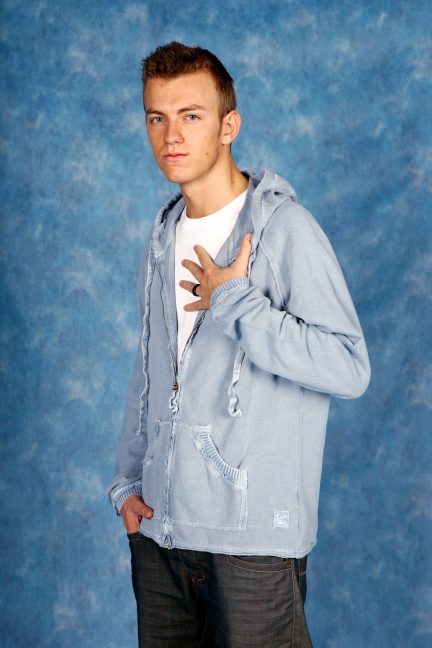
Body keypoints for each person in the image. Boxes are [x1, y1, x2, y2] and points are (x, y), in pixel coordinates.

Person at [106, 41, 370, 647]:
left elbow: (349, 366)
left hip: (253, 548)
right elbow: (151, 369)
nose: (171, 135)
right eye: (157, 117)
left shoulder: (284, 230)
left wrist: (235, 301)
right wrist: (127, 484)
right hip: (162, 538)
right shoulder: (163, 234)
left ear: (229, 126)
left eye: (191, 115)